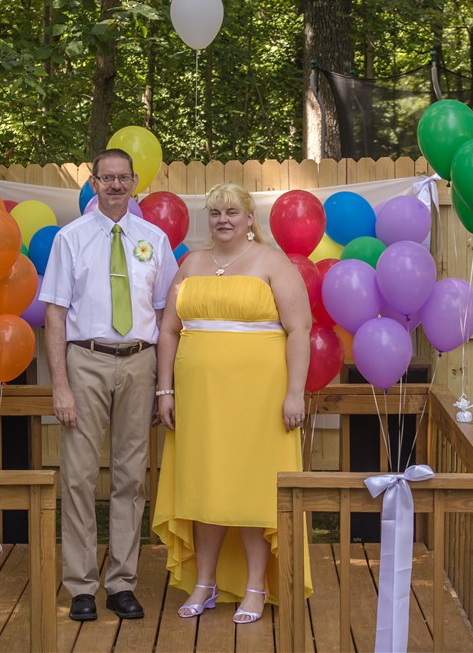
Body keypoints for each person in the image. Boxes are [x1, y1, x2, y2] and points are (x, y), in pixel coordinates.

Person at [152, 182, 313, 624]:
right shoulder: (191, 263)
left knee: (250, 488)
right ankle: (204, 582)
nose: (223, 220)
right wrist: (165, 390)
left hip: (259, 400)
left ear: (249, 219)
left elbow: (299, 329)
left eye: (232, 212)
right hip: (200, 400)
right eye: (215, 212)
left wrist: (294, 392)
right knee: (205, 484)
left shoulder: (272, 262)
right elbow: (168, 330)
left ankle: (256, 585)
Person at [39, 148, 178, 622]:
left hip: (139, 363)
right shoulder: (70, 239)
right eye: (107, 178)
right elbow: (54, 316)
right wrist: (60, 386)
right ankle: (81, 586)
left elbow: (166, 316)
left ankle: (121, 583)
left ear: (135, 182)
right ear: (94, 183)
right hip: (86, 361)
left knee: (130, 477)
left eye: (123, 178)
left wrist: (164, 385)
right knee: (79, 476)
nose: (116, 185)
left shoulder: (154, 239)